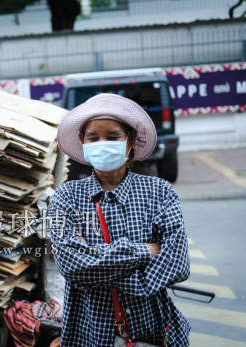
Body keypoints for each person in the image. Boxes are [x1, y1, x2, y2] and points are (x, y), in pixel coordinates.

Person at [48, 93, 190, 346]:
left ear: (130, 140)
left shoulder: (160, 192)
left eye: (113, 137)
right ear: (82, 140)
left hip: (151, 330)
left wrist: (94, 261)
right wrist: (144, 251)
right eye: (94, 138)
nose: (103, 143)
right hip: (88, 331)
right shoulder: (66, 197)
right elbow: (69, 265)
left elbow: (178, 264)